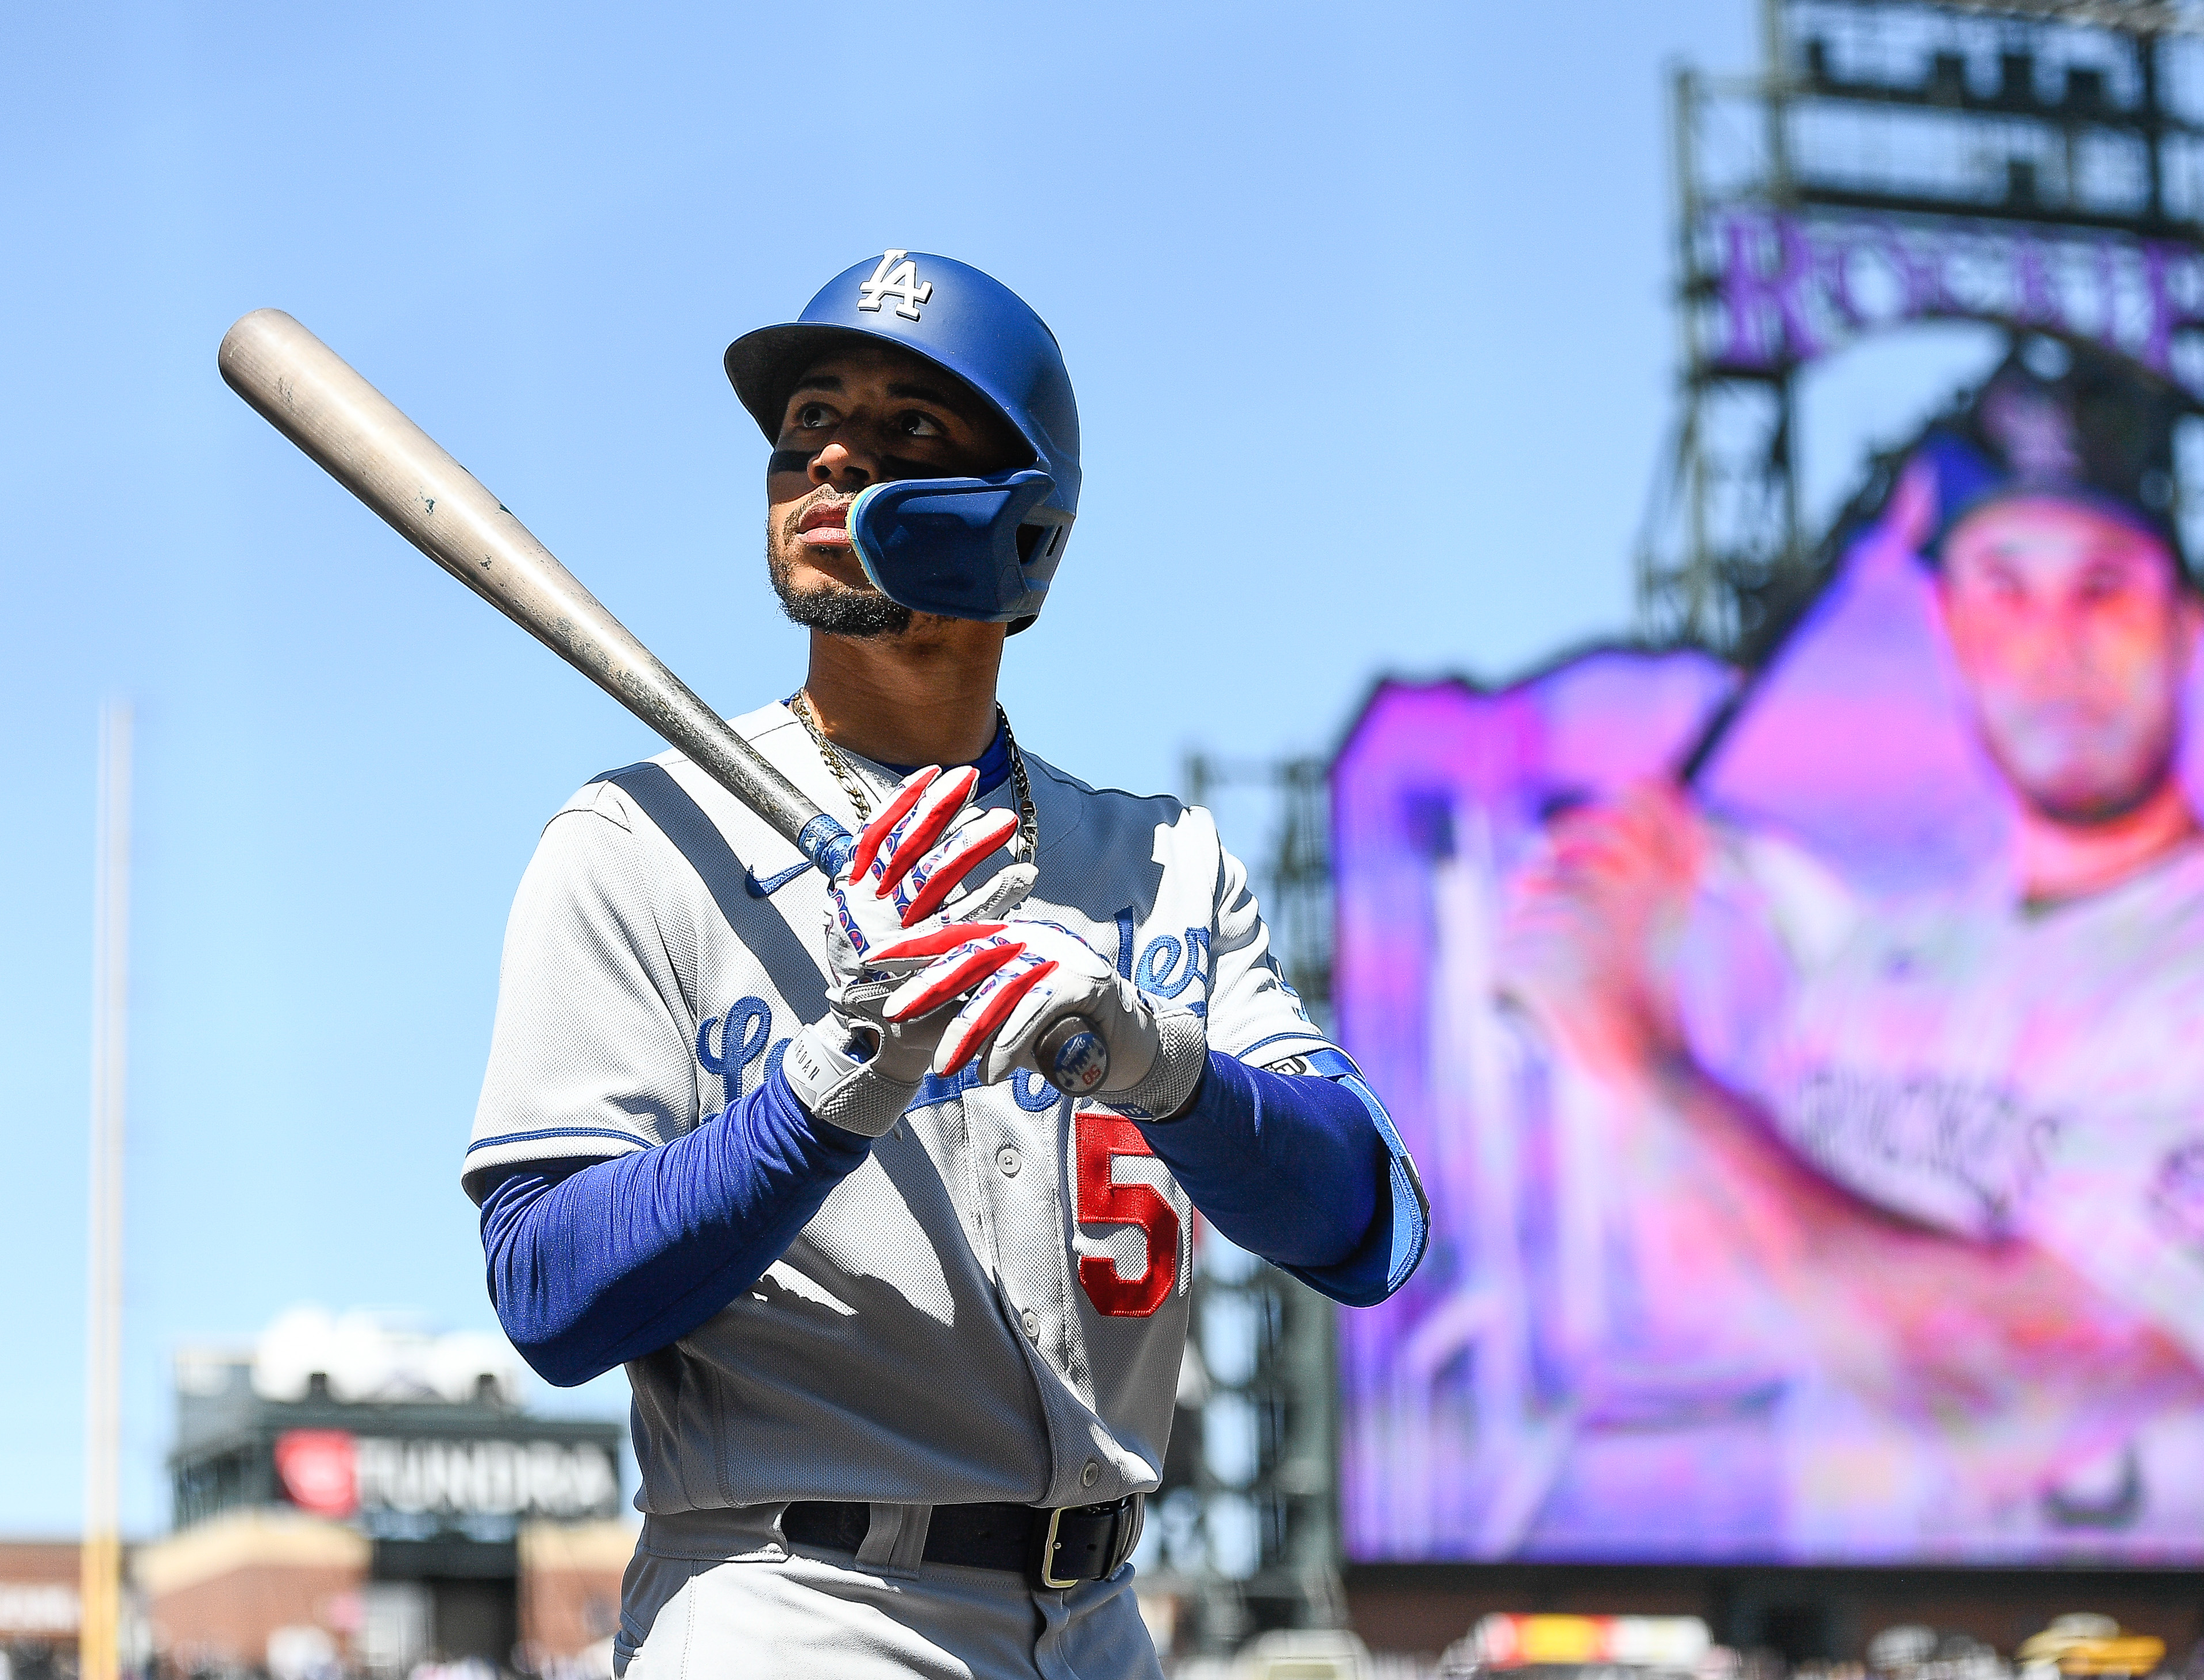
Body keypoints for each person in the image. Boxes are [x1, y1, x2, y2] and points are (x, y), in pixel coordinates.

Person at [460, 251, 1427, 1676]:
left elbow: (1365, 1221)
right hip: (791, 1602)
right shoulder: (640, 839)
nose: (825, 455)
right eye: (806, 424)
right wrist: (830, 1083)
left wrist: (1164, 1065)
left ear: (1023, 524)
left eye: (907, 427)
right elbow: (547, 1289)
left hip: (1103, 1616)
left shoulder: (1156, 862)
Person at [1498, 336, 2204, 1554]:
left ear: (2182, 617)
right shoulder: (1887, 960)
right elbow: (1720, 1279)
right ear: (1947, 620)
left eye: (2103, 587)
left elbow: (2025, 1394)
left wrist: (1641, 1057)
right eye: (2002, 583)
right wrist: (1634, 970)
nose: (2053, 643)